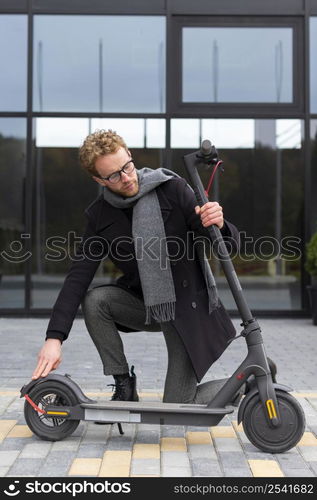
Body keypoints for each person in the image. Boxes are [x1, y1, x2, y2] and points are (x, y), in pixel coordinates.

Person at [32, 129, 240, 405]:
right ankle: (124, 384)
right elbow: (77, 278)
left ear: (129, 155)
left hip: (186, 309)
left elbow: (223, 246)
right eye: (114, 175)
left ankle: (252, 378)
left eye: (126, 167)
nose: (127, 177)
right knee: (96, 300)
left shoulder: (172, 189)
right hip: (148, 306)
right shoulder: (100, 216)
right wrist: (54, 338)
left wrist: (220, 224)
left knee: (178, 406)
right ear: (99, 180)